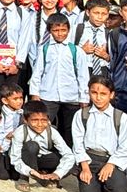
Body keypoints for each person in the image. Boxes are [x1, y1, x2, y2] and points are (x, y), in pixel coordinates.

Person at [72, 78, 127, 192]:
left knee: (119, 188)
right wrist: (84, 167)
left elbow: (125, 147)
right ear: (88, 93)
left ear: (111, 95)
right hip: (88, 159)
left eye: (103, 94)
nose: (98, 98)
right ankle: (95, 186)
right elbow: (77, 143)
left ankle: (109, 190)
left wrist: (110, 164)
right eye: (94, 93)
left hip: (110, 159)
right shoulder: (82, 114)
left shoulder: (122, 118)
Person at [29, 13, 89, 144]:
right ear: (50, 30)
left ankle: (71, 155)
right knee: (43, 124)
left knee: (71, 128)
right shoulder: (44, 49)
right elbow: (37, 73)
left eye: (63, 30)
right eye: (56, 30)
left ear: (68, 30)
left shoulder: (76, 51)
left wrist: (84, 98)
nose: (60, 34)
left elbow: (83, 77)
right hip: (48, 94)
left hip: (71, 96)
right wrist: (35, 94)